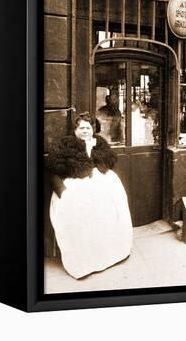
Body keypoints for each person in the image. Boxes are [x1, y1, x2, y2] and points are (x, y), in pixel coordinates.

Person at [46, 112, 133, 279]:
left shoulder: (100, 143)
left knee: (110, 212)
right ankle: (85, 262)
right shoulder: (65, 144)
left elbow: (107, 164)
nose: (85, 131)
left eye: (88, 127)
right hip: (75, 185)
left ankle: (110, 254)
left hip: (101, 184)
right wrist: (62, 191)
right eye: (81, 128)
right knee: (80, 216)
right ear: (75, 130)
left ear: (93, 129)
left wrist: (91, 150)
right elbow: (52, 169)